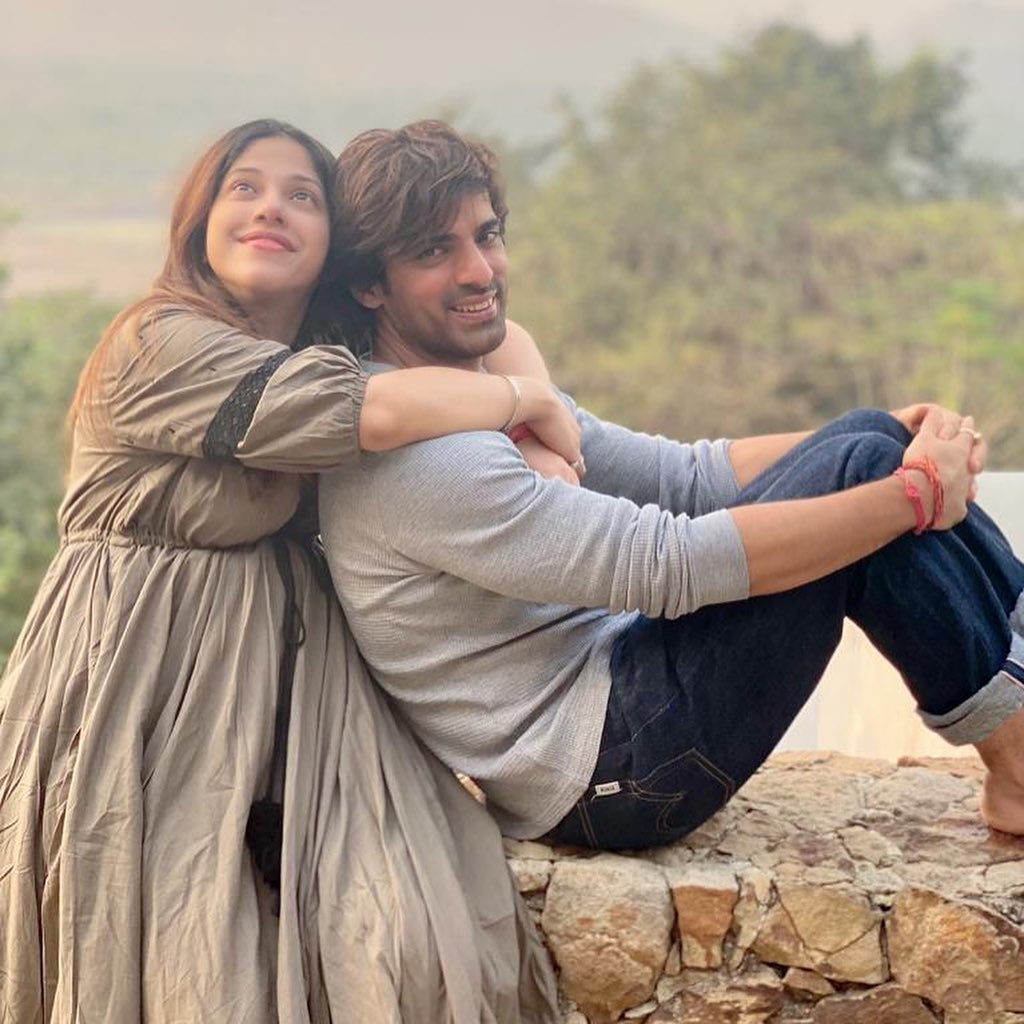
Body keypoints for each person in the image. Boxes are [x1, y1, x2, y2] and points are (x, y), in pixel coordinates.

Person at [320, 120, 1024, 861]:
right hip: (612, 772)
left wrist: (895, 433)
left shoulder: (467, 389)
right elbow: (670, 565)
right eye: (435, 251)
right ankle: (1017, 766)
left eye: (487, 236)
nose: (479, 271)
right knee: (868, 473)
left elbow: (681, 476)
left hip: (624, 685)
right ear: (369, 284)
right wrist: (913, 493)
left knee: (869, 442)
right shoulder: (421, 456)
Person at [0, 119, 570, 1022]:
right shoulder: (158, 342)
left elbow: (499, 329)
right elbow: (367, 410)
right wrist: (527, 405)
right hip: (131, 687)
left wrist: (534, 430)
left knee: (389, 939)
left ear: (335, 245)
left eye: (302, 196)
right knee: (170, 954)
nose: (271, 208)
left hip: (286, 702)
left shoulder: (325, 346)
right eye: (245, 188)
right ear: (200, 221)